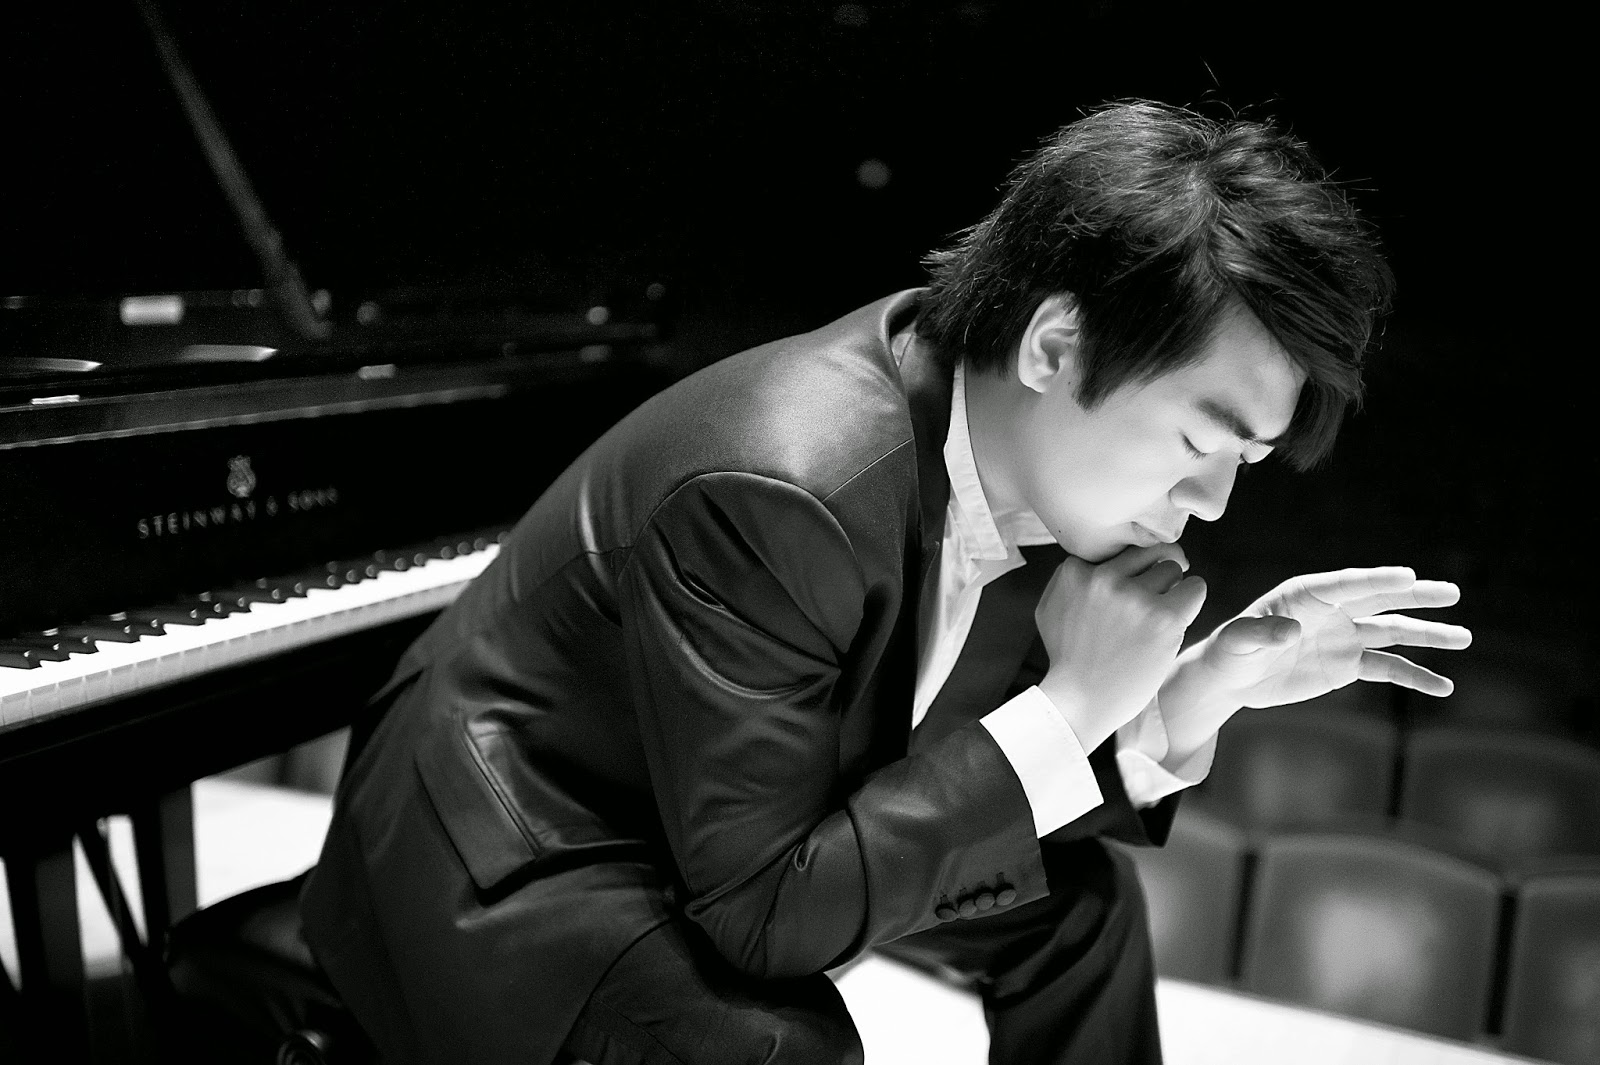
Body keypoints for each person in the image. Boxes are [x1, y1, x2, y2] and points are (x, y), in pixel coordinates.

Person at [299, 100, 1471, 1065]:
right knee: (774, 1048)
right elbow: (767, 918)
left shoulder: (1012, 450)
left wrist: (1190, 694)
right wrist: (1071, 703)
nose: (1213, 503)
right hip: (512, 831)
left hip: (699, 817)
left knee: (1082, 915)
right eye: (1199, 442)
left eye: (1244, 464)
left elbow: (959, 795)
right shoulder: (787, 490)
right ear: (1053, 347)